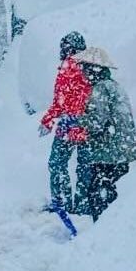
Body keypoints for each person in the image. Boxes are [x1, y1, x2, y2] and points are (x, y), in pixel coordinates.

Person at [75, 46, 136, 220]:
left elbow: (96, 122)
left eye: (84, 67)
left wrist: (79, 120)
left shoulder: (100, 89)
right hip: (122, 152)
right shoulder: (114, 86)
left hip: (108, 153)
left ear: (93, 69)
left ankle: (102, 230)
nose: (82, 72)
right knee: (118, 197)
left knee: (99, 197)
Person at [40, 30, 90, 213]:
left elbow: (60, 101)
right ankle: (83, 204)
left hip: (73, 124)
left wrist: (50, 120)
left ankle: (62, 201)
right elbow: (60, 101)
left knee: (57, 163)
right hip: (83, 123)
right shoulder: (88, 68)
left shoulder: (71, 69)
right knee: (84, 167)